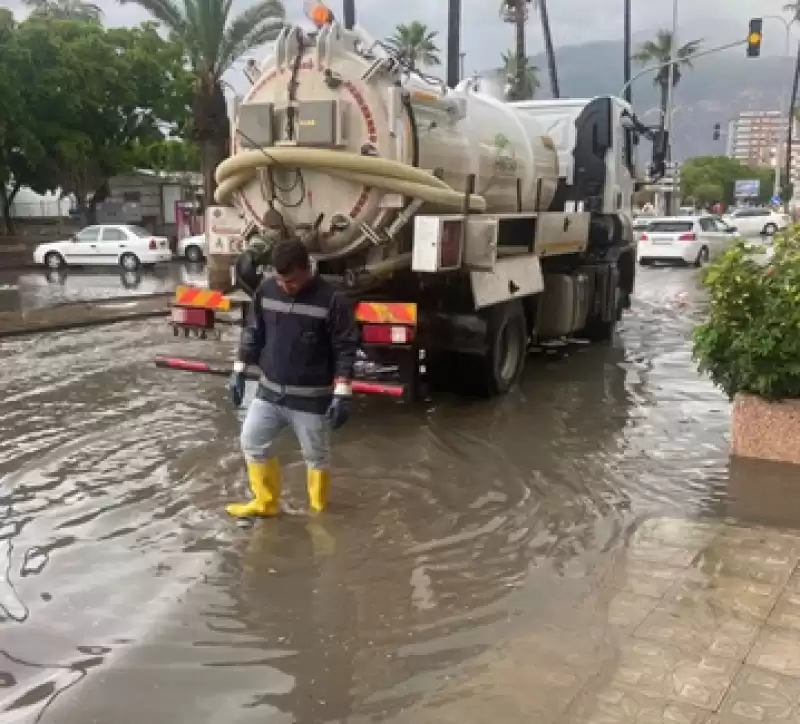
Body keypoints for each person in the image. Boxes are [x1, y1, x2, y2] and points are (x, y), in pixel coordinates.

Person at [227, 237, 359, 517]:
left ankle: (319, 512)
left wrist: (342, 392)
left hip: (311, 399)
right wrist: (239, 368)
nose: (287, 287)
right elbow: (253, 331)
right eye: (282, 281)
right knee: (252, 442)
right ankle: (265, 503)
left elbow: (345, 347)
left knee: (316, 457)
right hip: (269, 392)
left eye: (294, 282)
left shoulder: (332, 299)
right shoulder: (266, 290)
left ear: (307, 269)